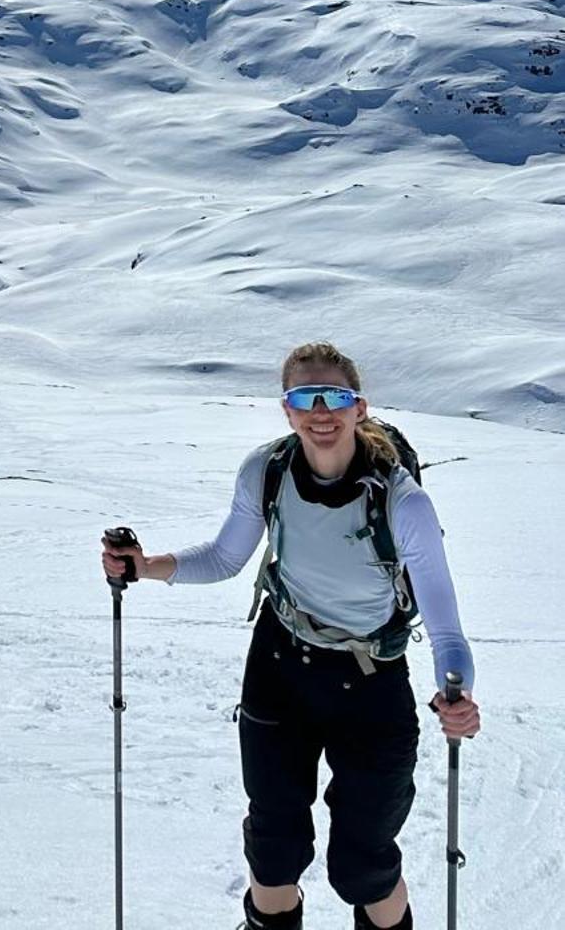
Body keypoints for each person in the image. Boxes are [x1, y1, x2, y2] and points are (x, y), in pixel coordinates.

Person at [100, 342, 481, 930]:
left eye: (336, 397)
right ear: (287, 409)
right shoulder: (268, 471)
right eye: (305, 397)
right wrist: (145, 566)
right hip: (281, 667)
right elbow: (227, 557)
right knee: (274, 851)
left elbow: (445, 627)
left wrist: (455, 693)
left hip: (373, 683)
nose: (321, 411)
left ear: (360, 408)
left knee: (364, 865)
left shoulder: (404, 504)